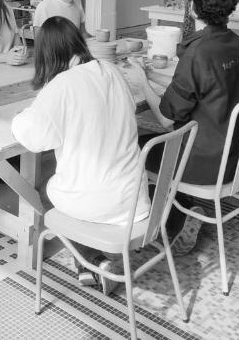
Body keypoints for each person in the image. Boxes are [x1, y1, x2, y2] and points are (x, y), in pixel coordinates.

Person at [12, 16, 150, 293]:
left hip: (100, 202)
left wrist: (20, 116)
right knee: (72, 182)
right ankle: (91, 265)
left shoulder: (62, 85)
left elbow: (33, 138)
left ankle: (93, 262)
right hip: (135, 198)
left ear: (47, 55)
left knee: (43, 189)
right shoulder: (110, 70)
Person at [137, 0, 239, 255]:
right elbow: (208, 88)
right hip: (234, 157)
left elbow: (166, 118)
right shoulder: (238, 44)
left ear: (193, 7)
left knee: (134, 146)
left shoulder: (198, 51)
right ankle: (182, 207)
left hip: (201, 162)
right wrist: (156, 78)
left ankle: (173, 220)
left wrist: (141, 81)